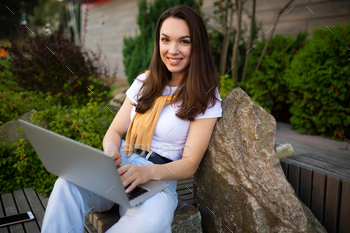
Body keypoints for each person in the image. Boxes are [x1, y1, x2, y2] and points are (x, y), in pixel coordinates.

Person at [41, 5, 222, 233]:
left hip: (159, 179)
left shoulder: (206, 95)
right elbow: (115, 131)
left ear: (198, 45)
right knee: (66, 184)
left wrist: (147, 172)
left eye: (184, 41)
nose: (172, 50)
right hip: (121, 167)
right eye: (165, 40)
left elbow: (189, 164)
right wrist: (110, 152)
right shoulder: (145, 82)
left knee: (152, 220)